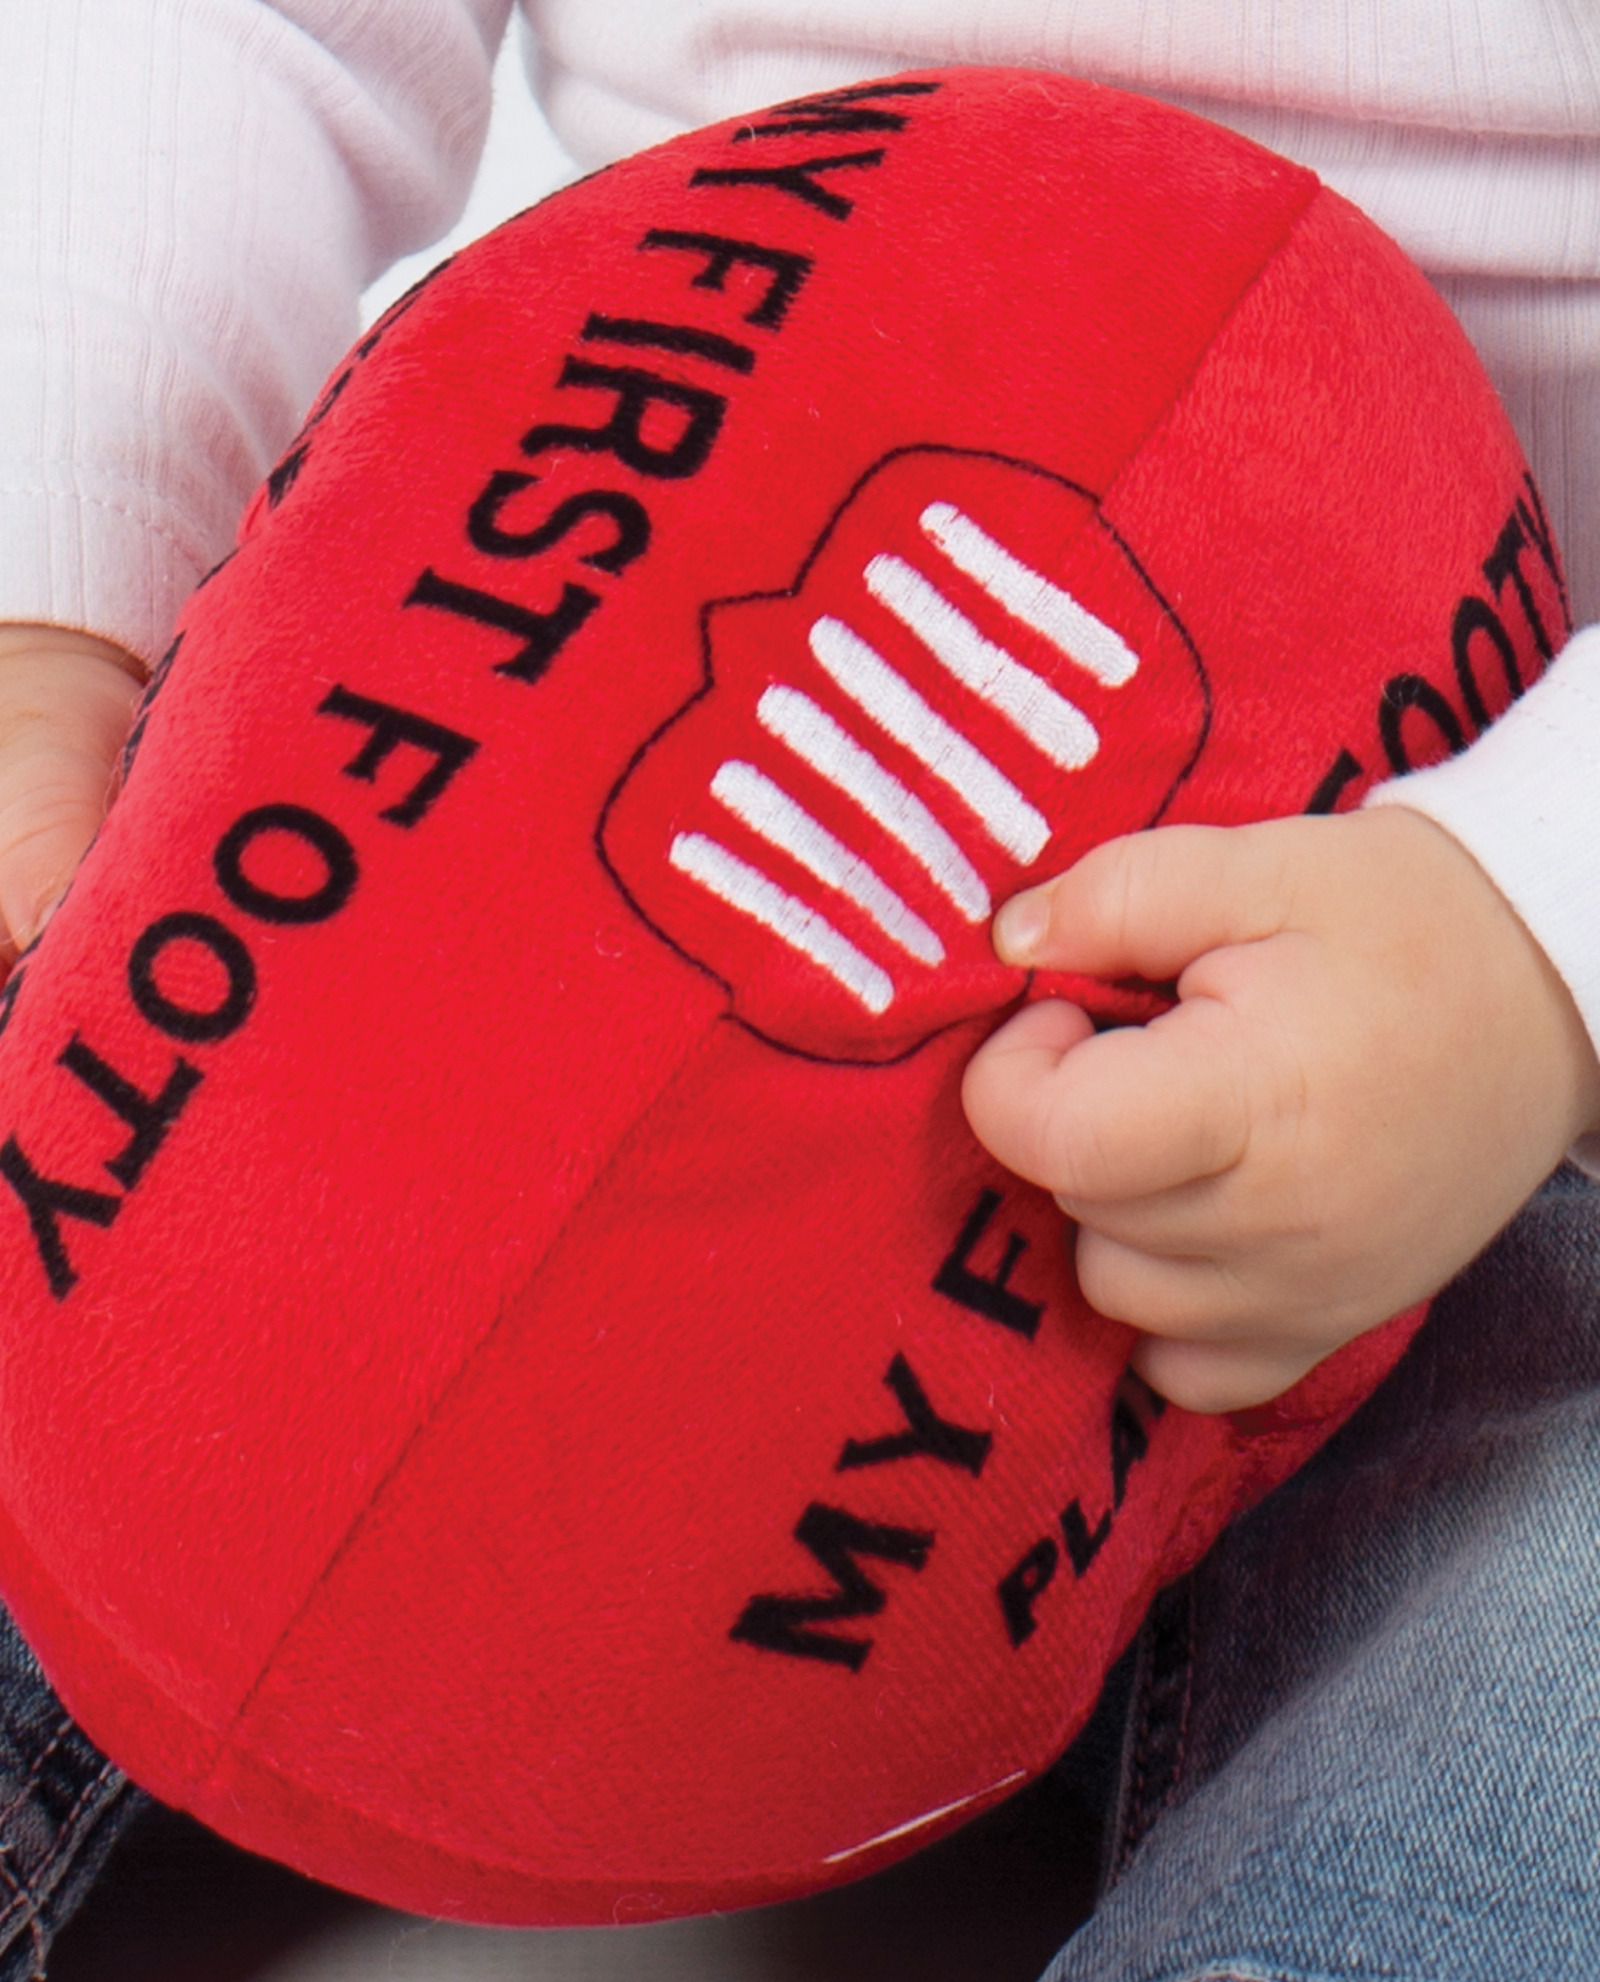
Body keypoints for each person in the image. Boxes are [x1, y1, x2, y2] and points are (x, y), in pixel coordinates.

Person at [2, 3, 1599, 1975]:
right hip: (582, 652)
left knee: (1546, 1673)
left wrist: (1536, 931)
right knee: (135, 1262)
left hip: (1523, 1031)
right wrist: (60, 552)